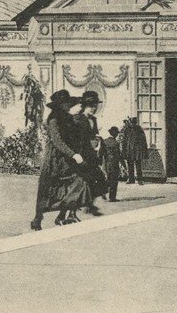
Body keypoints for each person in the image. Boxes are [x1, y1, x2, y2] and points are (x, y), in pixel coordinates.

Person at [31, 90, 89, 230]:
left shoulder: (67, 118)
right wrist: (74, 155)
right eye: (65, 104)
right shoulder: (53, 120)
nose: (68, 106)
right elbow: (58, 142)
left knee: (79, 181)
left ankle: (68, 214)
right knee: (48, 189)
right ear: (59, 106)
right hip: (54, 159)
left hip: (66, 157)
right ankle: (38, 218)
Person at [75, 90, 106, 214]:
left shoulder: (94, 119)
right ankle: (82, 204)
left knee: (100, 179)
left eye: (95, 106)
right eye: (90, 106)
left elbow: (94, 134)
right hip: (80, 154)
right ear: (84, 106)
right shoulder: (78, 119)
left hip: (91, 154)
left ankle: (87, 203)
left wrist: (97, 140)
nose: (93, 108)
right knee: (83, 180)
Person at [123, 117, 148, 185]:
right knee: (129, 164)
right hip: (129, 149)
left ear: (135, 123)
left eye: (134, 123)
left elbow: (143, 140)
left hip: (137, 150)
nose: (132, 124)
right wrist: (124, 150)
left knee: (138, 164)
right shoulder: (127, 129)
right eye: (131, 123)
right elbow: (124, 140)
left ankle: (140, 179)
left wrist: (142, 150)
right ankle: (131, 179)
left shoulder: (139, 129)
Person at [103, 127, 123, 202]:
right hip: (114, 163)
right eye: (117, 133)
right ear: (114, 134)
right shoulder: (115, 143)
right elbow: (118, 155)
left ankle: (103, 194)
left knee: (108, 179)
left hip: (106, 163)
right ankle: (112, 197)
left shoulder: (105, 141)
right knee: (114, 181)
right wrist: (123, 165)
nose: (117, 135)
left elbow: (101, 153)